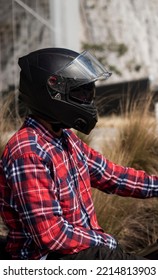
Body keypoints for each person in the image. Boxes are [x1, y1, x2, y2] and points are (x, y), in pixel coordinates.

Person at [0, 47, 158, 260]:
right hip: (46, 262)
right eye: (81, 93)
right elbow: (51, 235)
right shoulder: (28, 152)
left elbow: (112, 176)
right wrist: (106, 242)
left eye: (89, 92)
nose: (89, 100)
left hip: (83, 253)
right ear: (52, 92)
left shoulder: (66, 139)